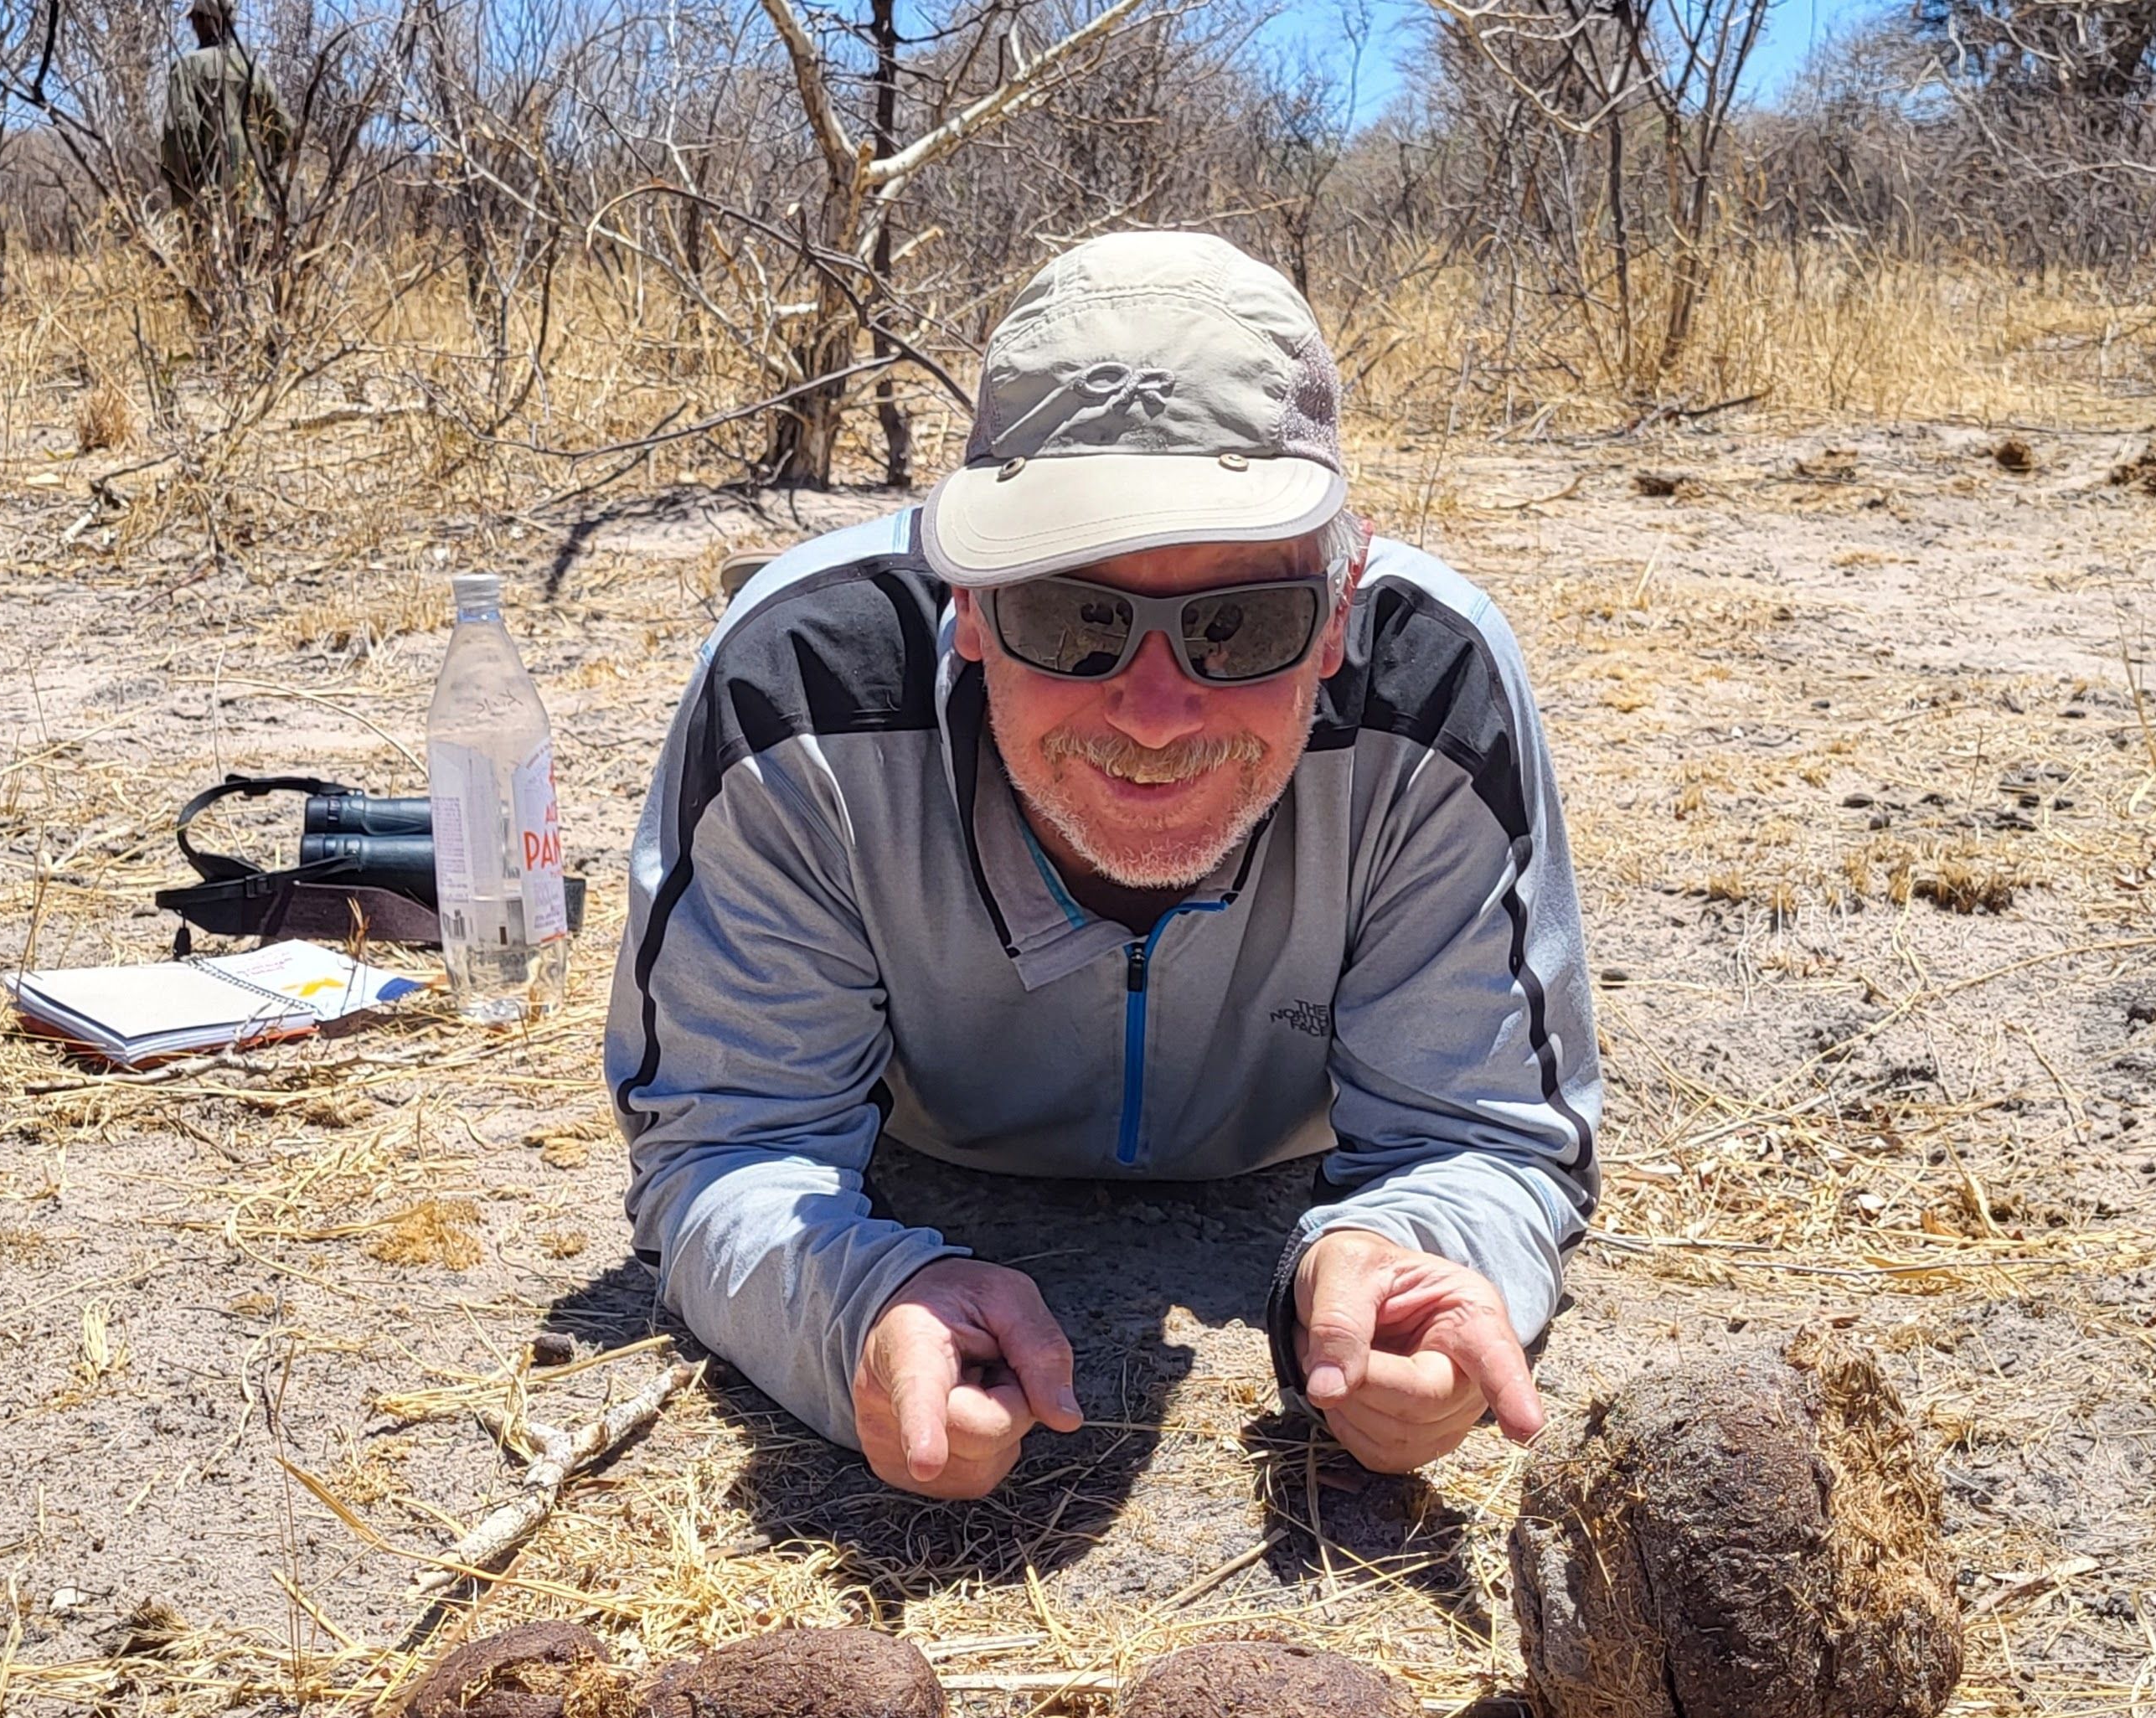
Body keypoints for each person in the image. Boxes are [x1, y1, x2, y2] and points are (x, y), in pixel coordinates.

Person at [606, 231, 1601, 1500]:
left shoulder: (1437, 694)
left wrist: (1414, 1253)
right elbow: (721, 1140)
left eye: (1238, 624)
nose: (1153, 711)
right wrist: (855, 1306)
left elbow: (1486, 1134)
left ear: (1340, 609)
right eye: (1075, 616)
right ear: (966, 600)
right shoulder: (798, 689)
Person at [160, 2, 292, 234]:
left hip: (207, 206)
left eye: (195, 19)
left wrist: (185, 187)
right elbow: (285, 135)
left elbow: (180, 132)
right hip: (256, 205)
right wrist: (264, 175)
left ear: (206, 21)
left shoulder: (186, 68)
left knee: (200, 269)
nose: (192, 25)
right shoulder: (254, 71)